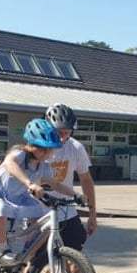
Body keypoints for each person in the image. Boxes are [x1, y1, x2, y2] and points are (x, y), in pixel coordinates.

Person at [0, 118, 79, 264]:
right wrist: (30, 184)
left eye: (50, 149)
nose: (46, 153)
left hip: (19, 197)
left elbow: (56, 184)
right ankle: (2, 250)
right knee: (0, 208)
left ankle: (28, 253)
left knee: (46, 218)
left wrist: (76, 195)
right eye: (42, 148)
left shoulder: (44, 166)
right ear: (31, 145)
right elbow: (10, 163)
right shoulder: (20, 154)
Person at [44, 103, 97, 248]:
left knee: (75, 262)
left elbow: (86, 180)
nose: (63, 138)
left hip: (66, 211)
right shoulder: (39, 148)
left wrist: (92, 213)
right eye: (59, 133)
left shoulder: (76, 148)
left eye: (67, 133)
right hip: (39, 213)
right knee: (34, 261)